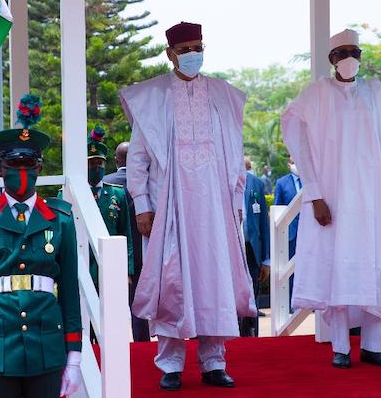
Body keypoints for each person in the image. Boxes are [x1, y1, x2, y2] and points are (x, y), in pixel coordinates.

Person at [121, 21, 255, 390]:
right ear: (170, 53)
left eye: (198, 47)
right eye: (184, 49)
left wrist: (237, 202)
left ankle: (214, 362)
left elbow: (236, 157)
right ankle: (170, 365)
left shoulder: (223, 95)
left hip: (215, 209)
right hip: (171, 206)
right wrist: (142, 204)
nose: (192, 54)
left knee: (215, 281)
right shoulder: (152, 98)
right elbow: (138, 159)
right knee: (171, 282)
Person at [281, 28, 381, 369]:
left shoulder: (379, 94)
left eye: (355, 52)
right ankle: (340, 347)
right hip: (333, 198)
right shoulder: (314, 96)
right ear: (331, 60)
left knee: (375, 266)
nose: (350, 59)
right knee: (337, 268)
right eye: (342, 53)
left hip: (372, 199)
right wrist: (314, 195)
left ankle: (373, 345)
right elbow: (299, 146)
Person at [0, 95, 82, 398]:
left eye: (29, 163)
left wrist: (74, 357)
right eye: (13, 163)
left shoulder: (60, 218)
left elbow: (69, 291)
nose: (21, 170)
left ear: (39, 167)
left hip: (46, 344)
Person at [103, 141, 150, 342]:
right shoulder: (147, 183)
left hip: (112, 251)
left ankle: (113, 341)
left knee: (110, 300)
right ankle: (142, 341)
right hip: (144, 248)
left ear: (116, 160)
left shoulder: (106, 183)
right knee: (139, 298)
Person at [84, 127, 133, 286]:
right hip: (82, 266)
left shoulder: (116, 194)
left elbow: (126, 233)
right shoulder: (71, 194)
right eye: (92, 163)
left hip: (112, 266)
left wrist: (127, 271)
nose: (96, 167)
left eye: (100, 163)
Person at [239, 157, 270, 337]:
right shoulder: (220, 179)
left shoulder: (256, 183)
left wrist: (266, 259)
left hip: (251, 249)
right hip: (228, 250)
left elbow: (264, 224)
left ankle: (251, 338)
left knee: (253, 296)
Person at [274, 158, 301, 258]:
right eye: (293, 162)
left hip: (309, 230)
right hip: (290, 233)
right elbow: (278, 208)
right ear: (289, 164)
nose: (296, 165)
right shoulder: (281, 183)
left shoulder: (311, 182)